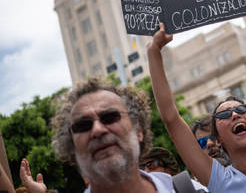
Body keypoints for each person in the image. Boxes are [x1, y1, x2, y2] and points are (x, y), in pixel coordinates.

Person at [147, 0, 246, 192]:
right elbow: (171, 118)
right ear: (217, 138)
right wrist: (154, 51)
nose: (235, 114)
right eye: (224, 115)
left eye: (242, 109)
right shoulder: (218, 179)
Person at [20, 78, 198, 193]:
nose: (97, 130)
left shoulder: (189, 190)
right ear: (72, 149)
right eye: (83, 125)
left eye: (110, 116)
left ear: (139, 131)